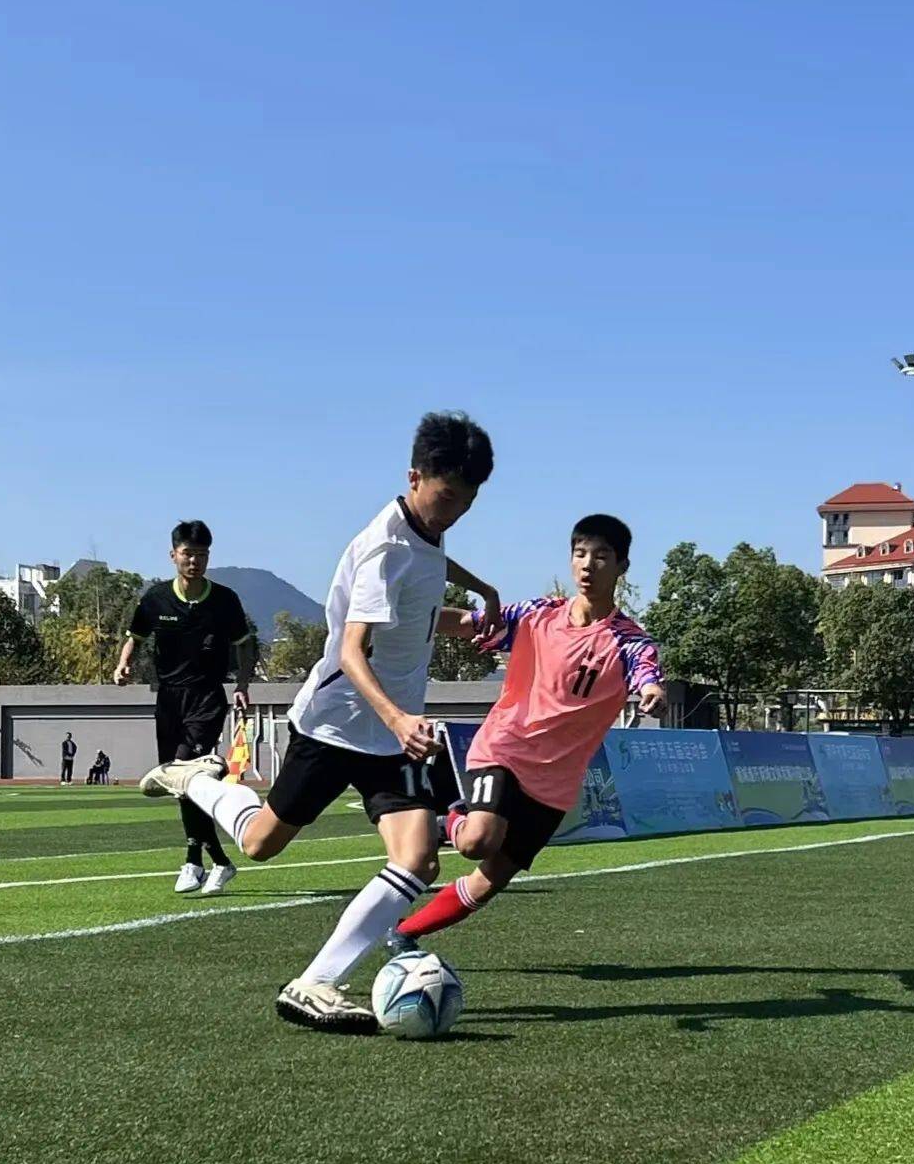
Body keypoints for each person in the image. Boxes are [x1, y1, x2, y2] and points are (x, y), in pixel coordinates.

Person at [140, 412, 498, 1030]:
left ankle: (315, 983)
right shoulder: (384, 551)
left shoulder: (424, 529)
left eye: (466, 503)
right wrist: (399, 719)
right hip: (338, 724)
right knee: (260, 845)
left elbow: (422, 588)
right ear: (414, 478)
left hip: (389, 734)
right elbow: (354, 652)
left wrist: (479, 598)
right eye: (446, 499)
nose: (454, 514)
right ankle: (195, 778)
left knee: (418, 860)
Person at [390, 514, 666, 950]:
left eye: (601, 556)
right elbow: (468, 623)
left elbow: (647, 673)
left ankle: (403, 934)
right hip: (505, 748)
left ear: (622, 566)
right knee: (478, 841)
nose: (588, 565)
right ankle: (449, 818)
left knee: (490, 880)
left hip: (555, 784)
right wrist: (392, 617)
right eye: (580, 554)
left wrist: (652, 690)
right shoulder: (537, 614)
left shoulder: (628, 640)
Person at [114, 520, 255, 895]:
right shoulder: (156, 599)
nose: (195, 561)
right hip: (168, 700)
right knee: (181, 784)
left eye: (202, 555)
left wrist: (242, 685)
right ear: (173, 555)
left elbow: (245, 644)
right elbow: (135, 637)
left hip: (206, 698)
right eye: (188, 554)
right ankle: (216, 862)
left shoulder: (224, 600)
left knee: (186, 772)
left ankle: (195, 860)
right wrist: (123, 663)